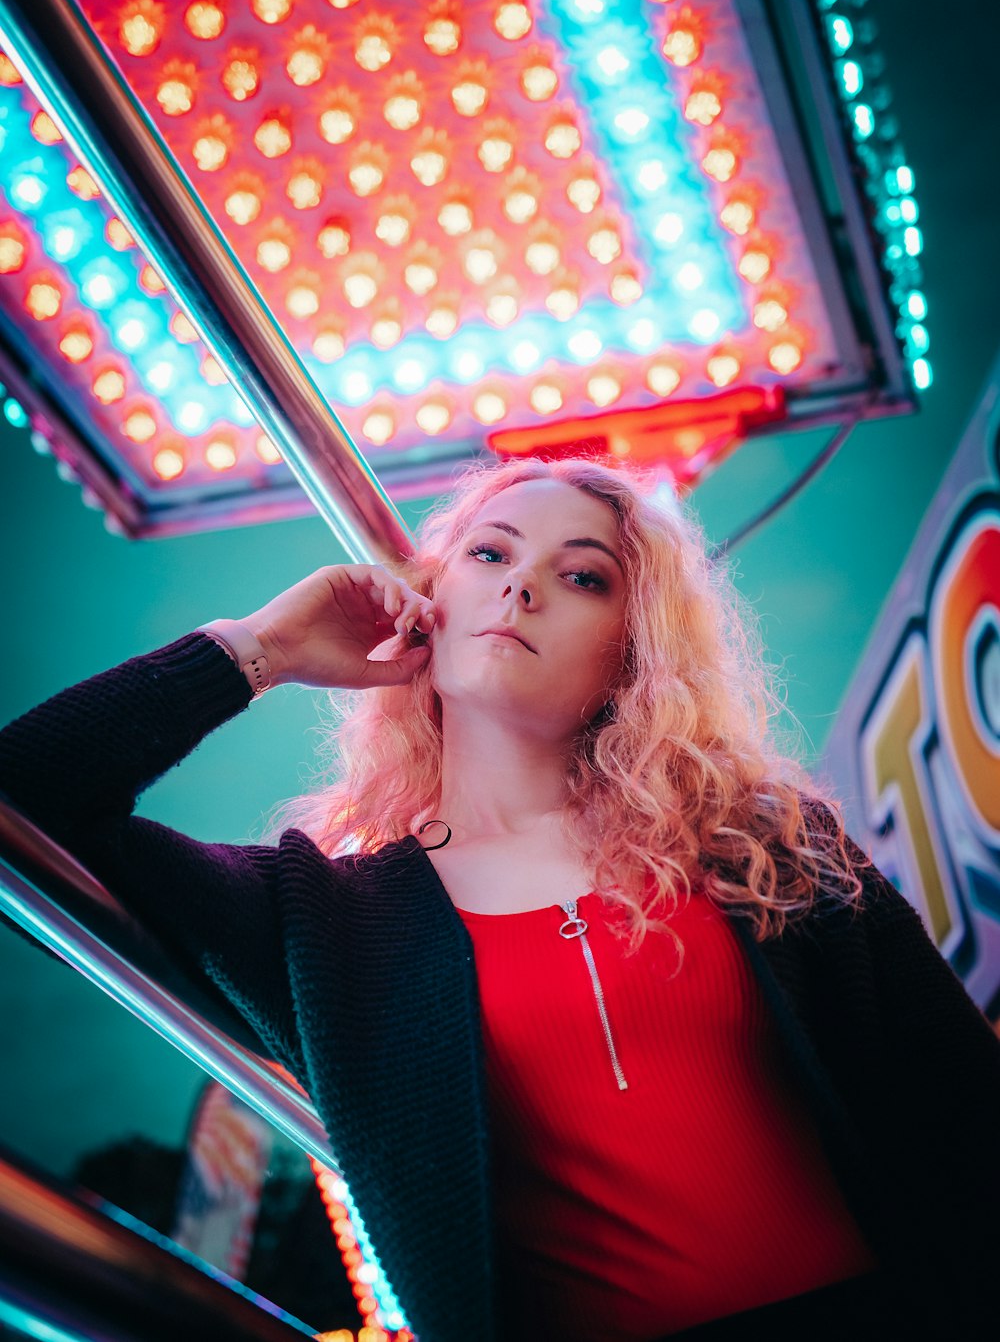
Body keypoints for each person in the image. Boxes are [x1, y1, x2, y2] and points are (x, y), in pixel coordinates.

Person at [1, 455, 998, 1342]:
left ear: (631, 651)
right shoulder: (324, 927)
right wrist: (258, 649)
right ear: (424, 605)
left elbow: (963, 1116)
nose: (522, 583)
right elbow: (22, 804)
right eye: (487, 554)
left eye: (581, 576)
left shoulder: (764, 846)